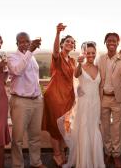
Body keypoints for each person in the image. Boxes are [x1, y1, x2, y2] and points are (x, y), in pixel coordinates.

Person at [58, 42, 105, 168]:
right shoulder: (81, 67)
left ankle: (95, 161)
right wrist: (79, 63)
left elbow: (100, 87)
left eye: (93, 53)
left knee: (94, 129)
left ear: (96, 53)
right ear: (84, 53)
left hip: (95, 103)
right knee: (84, 130)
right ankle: (84, 163)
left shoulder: (98, 68)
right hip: (84, 103)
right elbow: (75, 75)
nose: (90, 55)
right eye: (88, 53)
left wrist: (100, 103)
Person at [7, 32, 46, 168]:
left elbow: (34, 78)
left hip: (36, 101)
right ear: (17, 43)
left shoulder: (32, 57)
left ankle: (36, 162)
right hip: (20, 101)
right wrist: (29, 51)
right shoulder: (12, 57)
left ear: (30, 42)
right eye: (21, 42)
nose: (24, 44)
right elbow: (17, 71)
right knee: (17, 139)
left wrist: (39, 95)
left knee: (35, 136)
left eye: (27, 41)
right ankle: (17, 165)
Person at [42, 23, 76, 167]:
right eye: (67, 41)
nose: (70, 43)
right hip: (55, 96)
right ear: (62, 44)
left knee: (65, 127)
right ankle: (57, 154)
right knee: (56, 127)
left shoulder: (73, 61)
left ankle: (61, 152)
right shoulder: (58, 57)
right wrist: (57, 33)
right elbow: (55, 51)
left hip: (68, 97)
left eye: (72, 42)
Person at [98, 33, 121, 168]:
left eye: (114, 41)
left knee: (117, 129)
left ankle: (117, 155)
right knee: (105, 128)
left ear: (118, 43)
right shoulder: (101, 59)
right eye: (109, 40)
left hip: (117, 98)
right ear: (105, 42)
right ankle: (108, 153)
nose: (111, 42)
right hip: (103, 98)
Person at [0, 34, 11, 168]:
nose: (0, 42)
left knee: (0, 132)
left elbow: (3, 81)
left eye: (1, 40)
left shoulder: (1, 58)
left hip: (1, 99)